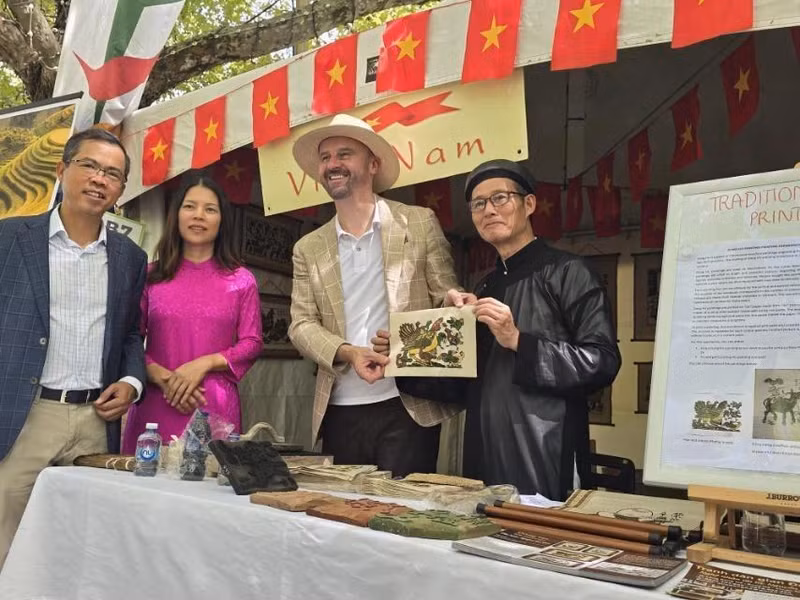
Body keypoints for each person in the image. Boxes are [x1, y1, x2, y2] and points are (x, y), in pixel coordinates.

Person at [375, 159, 621, 500]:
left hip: (546, 450)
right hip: (483, 450)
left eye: (500, 198)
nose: (489, 210)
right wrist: (399, 360)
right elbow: (465, 383)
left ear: (529, 204)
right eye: (478, 203)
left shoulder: (570, 272)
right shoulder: (485, 287)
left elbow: (603, 362)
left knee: (538, 543)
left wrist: (518, 340)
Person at [0, 128, 147, 566]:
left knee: (76, 548)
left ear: (121, 189)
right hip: (25, 417)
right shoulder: (9, 240)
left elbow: (130, 334)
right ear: (62, 169)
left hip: (94, 421)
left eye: (113, 174)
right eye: (90, 165)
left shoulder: (130, 257)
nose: (99, 179)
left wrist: (131, 381)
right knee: (6, 541)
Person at [288, 114, 462, 476]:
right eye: (325, 157)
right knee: (342, 519)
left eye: (344, 154)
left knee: (400, 518)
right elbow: (301, 324)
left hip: (409, 402)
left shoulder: (419, 221)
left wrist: (457, 304)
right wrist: (349, 353)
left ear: (373, 164)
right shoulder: (308, 247)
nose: (333, 164)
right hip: (338, 406)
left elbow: (445, 295)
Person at [122, 174, 262, 452]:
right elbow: (130, 339)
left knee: (207, 488)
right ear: (176, 215)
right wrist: (168, 381)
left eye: (210, 209)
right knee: (145, 489)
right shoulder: (150, 276)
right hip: (156, 402)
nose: (199, 216)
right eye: (190, 206)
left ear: (222, 220)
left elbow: (252, 343)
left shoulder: (241, 280)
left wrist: (205, 363)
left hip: (212, 404)